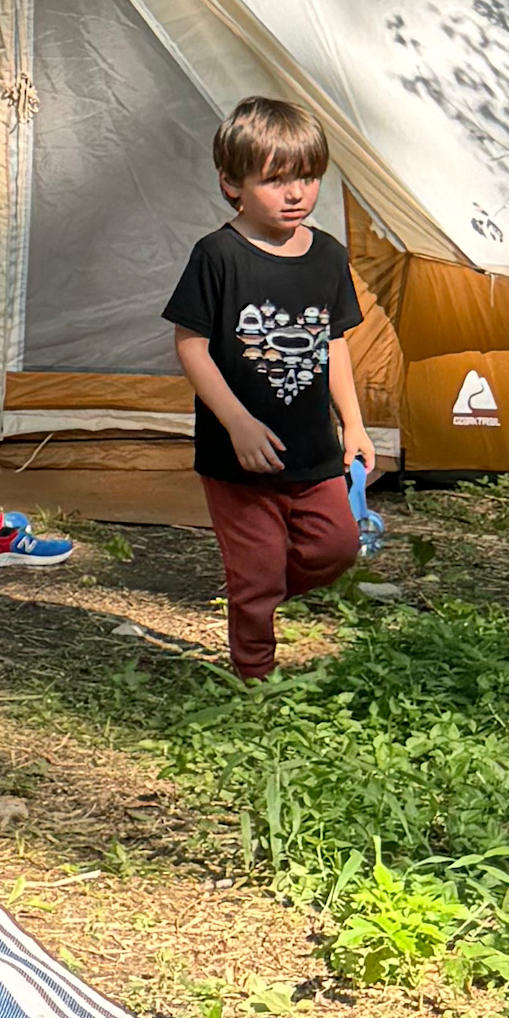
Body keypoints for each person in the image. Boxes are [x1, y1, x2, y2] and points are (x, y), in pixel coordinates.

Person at [164, 94, 371, 682]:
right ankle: (254, 679)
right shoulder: (217, 256)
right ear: (232, 184)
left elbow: (333, 342)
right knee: (256, 574)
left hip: (313, 450)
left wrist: (355, 424)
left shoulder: (327, 255)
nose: (295, 193)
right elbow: (191, 346)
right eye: (275, 180)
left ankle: (260, 588)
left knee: (337, 548)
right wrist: (237, 423)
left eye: (307, 176)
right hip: (239, 458)